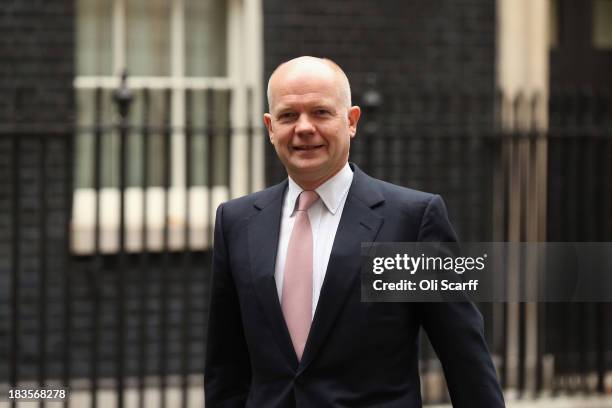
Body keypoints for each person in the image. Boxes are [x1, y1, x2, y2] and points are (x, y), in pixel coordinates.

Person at [205, 56, 505, 407]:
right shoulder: (236, 221)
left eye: (320, 112)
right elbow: (226, 367)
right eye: (288, 115)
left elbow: (464, 357)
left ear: (351, 121)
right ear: (270, 127)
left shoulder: (410, 221)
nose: (303, 127)